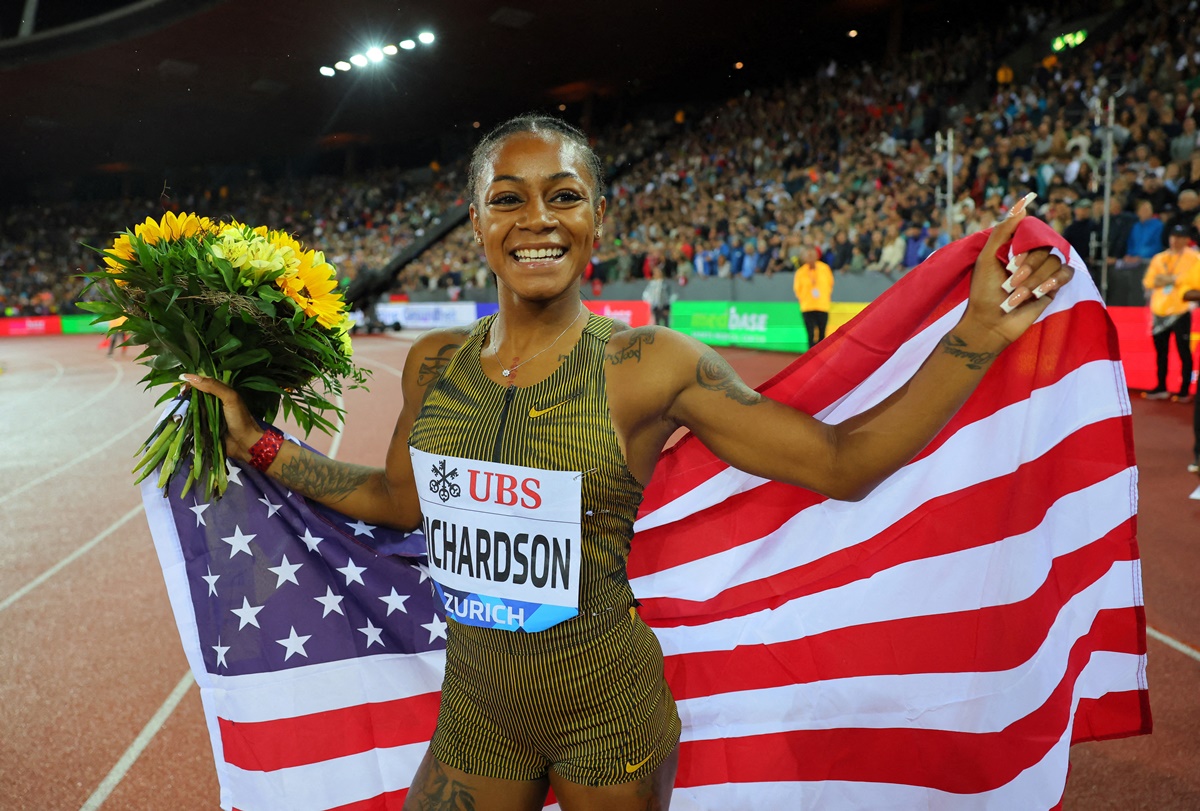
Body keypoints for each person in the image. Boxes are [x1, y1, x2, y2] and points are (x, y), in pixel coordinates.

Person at [183, 115, 1070, 811]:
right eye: (508, 199)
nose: (538, 220)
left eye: (564, 196)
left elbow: (842, 461)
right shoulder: (435, 364)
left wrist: (977, 335)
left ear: (598, 218)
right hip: (480, 708)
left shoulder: (653, 364)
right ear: (478, 222)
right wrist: (261, 443)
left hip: (608, 714)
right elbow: (395, 498)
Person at [1141, 225, 1200, 401]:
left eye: (1179, 237)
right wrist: (1175, 280)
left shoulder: (1194, 258)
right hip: (1159, 310)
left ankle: (1184, 390)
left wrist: (1170, 279)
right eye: (1173, 236)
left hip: (1181, 310)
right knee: (1161, 352)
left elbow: (1194, 281)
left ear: (1186, 239)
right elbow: (1149, 281)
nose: (1175, 240)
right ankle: (1161, 386)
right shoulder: (1160, 258)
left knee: (1184, 351)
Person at [793, 247, 835, 348]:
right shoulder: (801, 272)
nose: (810, 258)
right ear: (804, 258)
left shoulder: (824, 268)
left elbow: (830, 283)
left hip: (822, 305)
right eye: (808, 256)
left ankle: (822, 357)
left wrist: (824, 296)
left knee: (822, 334)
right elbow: (797, 289)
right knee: (810, 334)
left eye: (812, 255)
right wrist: (804, 298)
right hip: (807, 307)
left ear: (817, 256)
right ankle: (811, 358)